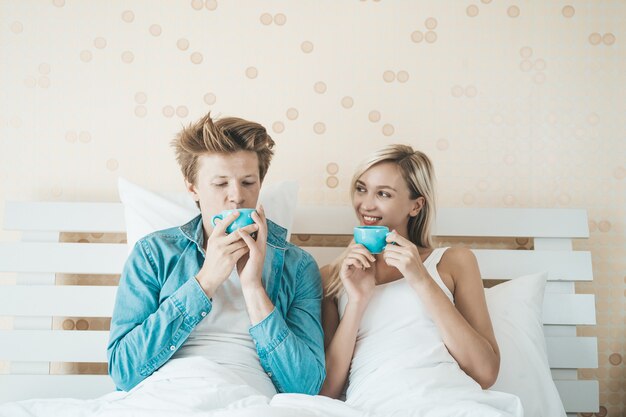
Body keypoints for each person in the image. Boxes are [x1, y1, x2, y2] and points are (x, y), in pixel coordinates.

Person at [107, 112, 325, 397]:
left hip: (249, 397)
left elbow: (306, 385)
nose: (236, 196)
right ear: (193, 188)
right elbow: (124, 371)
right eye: (220, 184)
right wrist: (205, 281)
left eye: (248, 182)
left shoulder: (297, 266)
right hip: (165, 394)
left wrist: (253, 287)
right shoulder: (154, 253)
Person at [319, 145, 522, 416]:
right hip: (373, 405)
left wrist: (421, 279)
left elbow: (485, 372)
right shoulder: (332, 277)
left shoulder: (454, 262)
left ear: (416, 205)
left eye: (383, 193)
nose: (366, 204)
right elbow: (329, 389)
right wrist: (357, 301)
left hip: (454, 402)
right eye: (361, 188)